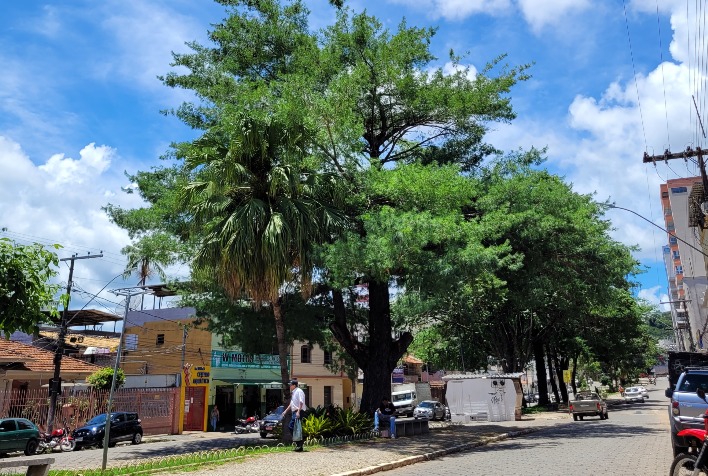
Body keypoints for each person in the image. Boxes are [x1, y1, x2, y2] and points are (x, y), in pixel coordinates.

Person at [286, 379, 307, 452]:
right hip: (294, 412)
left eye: (291, 385)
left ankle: (299, 443)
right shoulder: (293, 392)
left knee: (292, 427)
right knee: (295, 428)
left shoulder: (299, 391)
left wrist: (298, 412)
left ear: (294, 385)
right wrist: (285, 411)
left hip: (298, 411)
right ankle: (299, 445)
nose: (290, 386)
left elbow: (301, 402)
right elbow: (292, 404)